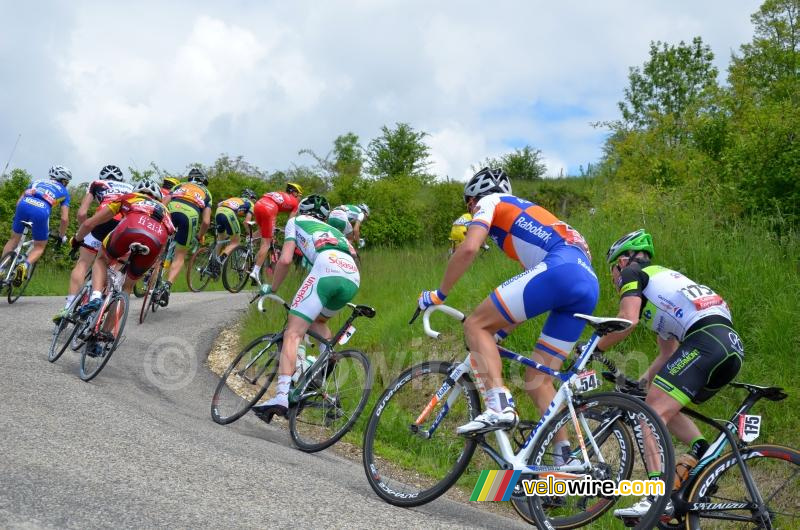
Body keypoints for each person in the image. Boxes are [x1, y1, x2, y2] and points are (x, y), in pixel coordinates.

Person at [416, 167, 599, 437]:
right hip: (587, 283)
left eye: (470, 208)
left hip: (560, 268)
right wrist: (498, 333)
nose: (472, 213)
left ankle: (499, 406)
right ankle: (564, 453)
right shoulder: (528, 218)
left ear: (473, 200)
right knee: (539, 381)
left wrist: (438, 294)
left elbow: (469, 248)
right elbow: (526, 300)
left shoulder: (490, 201)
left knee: (475, 325)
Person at [595, 230, 743, 519]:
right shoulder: (664, 283)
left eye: (612, 270)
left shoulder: (633, 273)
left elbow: (627, 319)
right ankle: (703, 452)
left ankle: (656, 496)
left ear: (622, 261)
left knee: (649, 414)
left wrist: (594, 348)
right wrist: (640, 385)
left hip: (704, 341)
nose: (613, 278)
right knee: (660, 402)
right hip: (728, 346)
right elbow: (667, 354)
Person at [250, 194, 360, 421]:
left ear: (301, 210)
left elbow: (285, 260)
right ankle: (323, 364)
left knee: (293, 332)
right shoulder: (335, 232)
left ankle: (281, 396)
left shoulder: (296, 221)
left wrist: (272, 288)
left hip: (326, 269)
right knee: (318, 321)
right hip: (352, 277)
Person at [72, 179, 174, 355]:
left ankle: (95, 297)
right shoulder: (166, 212)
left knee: (101, 259)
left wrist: (77, 239)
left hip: (129, 231)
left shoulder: (130, 197)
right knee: (127, 288)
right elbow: (163, 249)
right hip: (155, 242)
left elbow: (89, 223)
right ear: (158, 198)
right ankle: (102, 337)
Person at [53, 164, 133, 322]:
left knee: (83, 263)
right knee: (111, 267)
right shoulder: (131, 188)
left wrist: (84, 233)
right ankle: (100, 307)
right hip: (124, 227)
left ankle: (68, 307)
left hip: (101, 222)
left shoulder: (97, 183)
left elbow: (82, 213)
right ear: (121, 179)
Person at [2, 165, 71, 284]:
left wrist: (18, 215)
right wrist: (61, 236)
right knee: (39, 247)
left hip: (24, 205)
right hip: (41, 210)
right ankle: (24, 265)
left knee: (13, 240)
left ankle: (2, 268)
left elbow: (19, 202)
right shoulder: (64, 192)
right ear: (64, 181)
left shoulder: (37, 181)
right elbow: (64, 219)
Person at [162, 167, 213, 305]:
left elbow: (164, 203)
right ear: (203, 181)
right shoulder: (206, 192)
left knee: (159, 246)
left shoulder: (179, 185)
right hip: (190, 215)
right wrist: (199, 236)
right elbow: (206, 222)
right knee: (180, 255)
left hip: (170, 210)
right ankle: (167, 285)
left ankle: (149, 277)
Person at [249, 182, 302, 284]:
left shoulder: (280, 194)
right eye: (300, 195)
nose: (300, 198)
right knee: (266, 244)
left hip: (258, 204)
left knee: (262, 231)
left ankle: (248, 244)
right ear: (295, 193)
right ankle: (255, 272)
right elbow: (291, 222)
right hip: (269, 208)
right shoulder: (295, 203)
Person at [214, 189, 256, 268]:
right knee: (235, 242)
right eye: (254, 200)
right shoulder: (251, 204)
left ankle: (212, 263)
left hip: (219, 211)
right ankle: (220, 260)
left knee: (221, 239)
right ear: (251, 198)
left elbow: (219, 204)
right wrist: (249, 233)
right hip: (229, 213)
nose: (254, 202)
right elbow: (246, 222)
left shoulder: (235, 199)